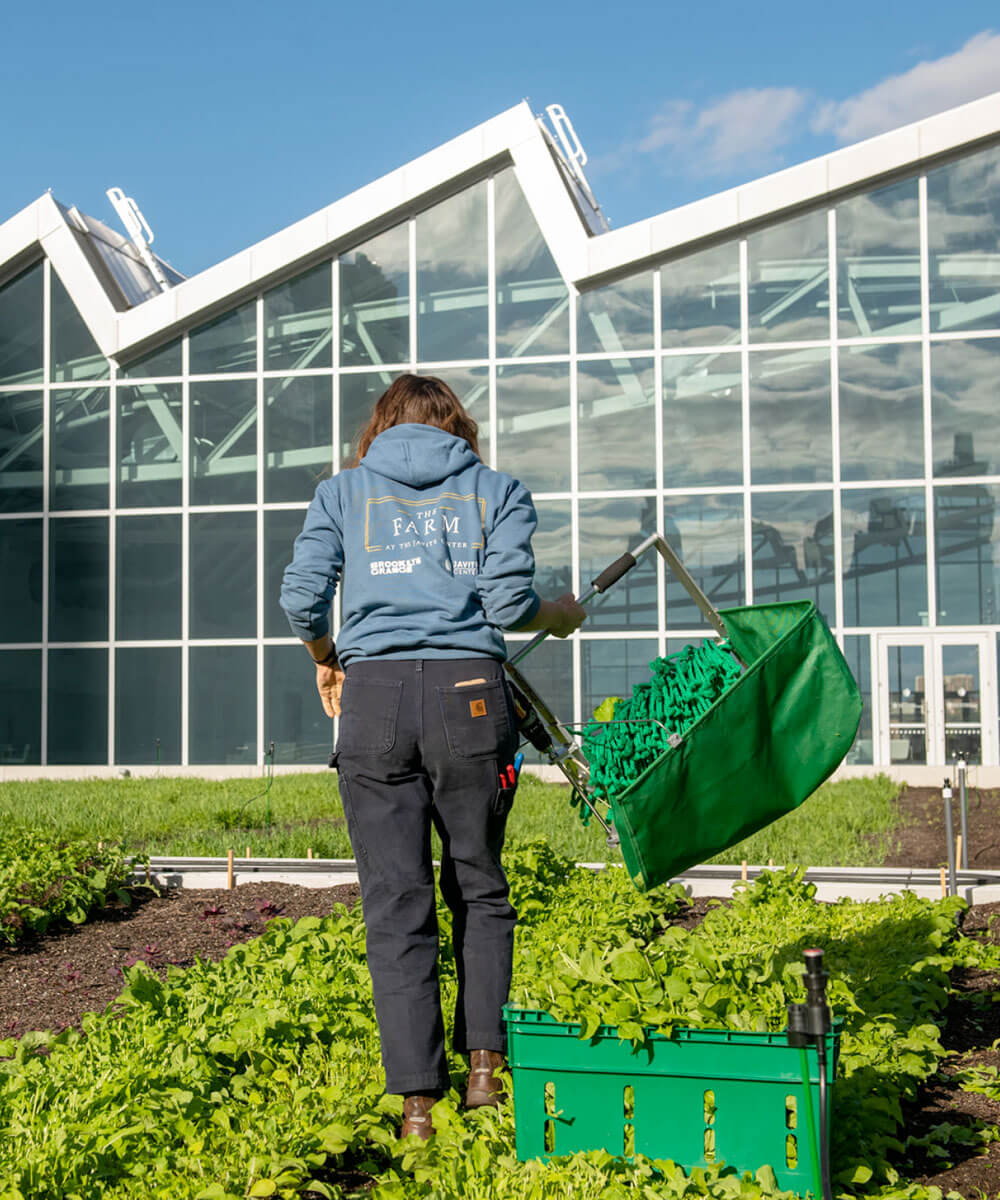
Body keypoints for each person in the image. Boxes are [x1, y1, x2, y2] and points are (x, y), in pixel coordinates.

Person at [280, 374, 585, 1140]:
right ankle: (485, 1067)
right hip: (469, 696)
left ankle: (418, 1102)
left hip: (374, 699)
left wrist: (329, 655)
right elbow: (512, 604)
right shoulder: (497, 489)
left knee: (395, 901)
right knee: (479, 886)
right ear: (458, 427)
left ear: (382, 426)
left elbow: (300, 600)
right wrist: (562, 615)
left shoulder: (342, 494)